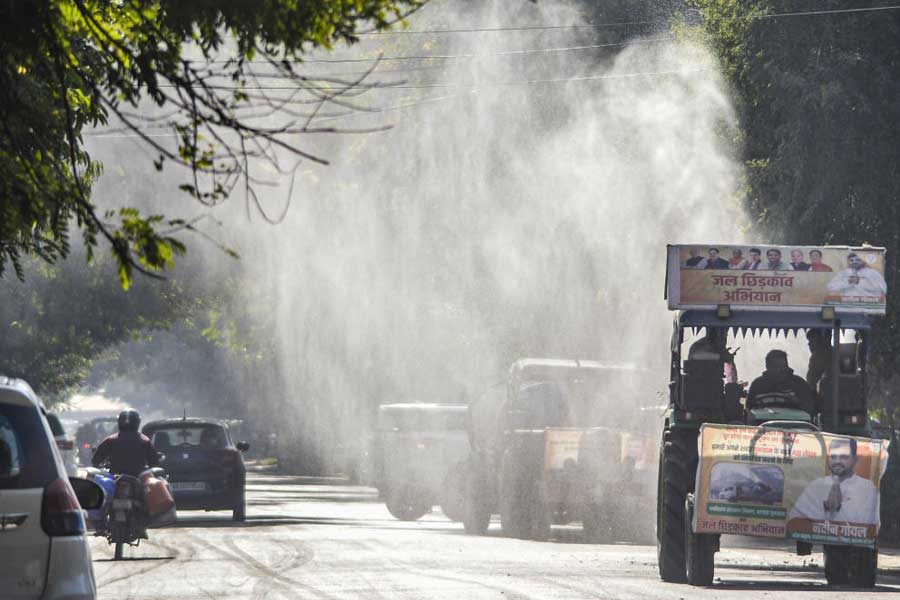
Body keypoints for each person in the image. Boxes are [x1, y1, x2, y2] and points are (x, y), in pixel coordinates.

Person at [788, 438, 879, 525]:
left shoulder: (867, 488)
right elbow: (793, 520)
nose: (837, 461)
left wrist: (838, 509)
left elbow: (868, 526)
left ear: (855, 460)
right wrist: (826, 507)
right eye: (833, 456)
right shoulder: (816, 485)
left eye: (844, 457)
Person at [91, 409, 159, 477]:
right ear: (138, 422)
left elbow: (96, 460)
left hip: (117, 478)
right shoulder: (145, 441)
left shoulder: (110, 440)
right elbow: (154, 463)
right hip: (137, 478)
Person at [746, 350, 815, 415]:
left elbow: (811, 409)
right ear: (767, 367)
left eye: (784, 366)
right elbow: (749, 410)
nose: (781, 370)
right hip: (764, 425)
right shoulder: (757, 384)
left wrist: (797, 402)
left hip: (794, 425)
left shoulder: (799, 383)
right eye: (776, 367)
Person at [805, 330, 833, 404]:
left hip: (829, 401)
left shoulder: (818, 356)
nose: (809, 345)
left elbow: (811, 381)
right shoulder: (835, 352)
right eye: (809, 342)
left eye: (812, 341)